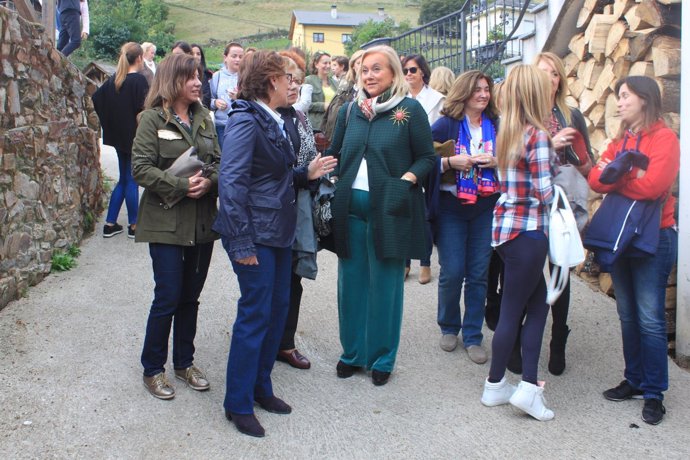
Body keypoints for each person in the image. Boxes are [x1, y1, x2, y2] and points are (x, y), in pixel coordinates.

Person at [212, 51, 336, 438]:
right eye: (286, 77)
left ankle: (261, 388)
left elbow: (273, 179)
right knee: (255, 315)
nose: (292, 83)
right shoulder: (246, 121)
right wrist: (242, 242)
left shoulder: (274, 119)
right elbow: (231, 186)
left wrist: (305, 173)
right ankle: (237, 403)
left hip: (278, 233)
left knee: (277, 310)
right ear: (271, 83)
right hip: (256, 236)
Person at [327, 45, 436, 386]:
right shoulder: (350, 111)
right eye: (365, 70)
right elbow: (334, 151)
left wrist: (406, 181)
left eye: (377, 69)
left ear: (393, 73)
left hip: (391, 208)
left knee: (386, 286)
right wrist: (325, 173)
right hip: (350, 208)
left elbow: (427, 158)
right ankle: (353, 354)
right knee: (351, 284)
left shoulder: (410, 110)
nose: (369, 75)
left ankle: (382, 358)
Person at [589, 76, 679, 425]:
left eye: (625, 96)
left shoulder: (665, 139)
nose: (620, 103)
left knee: (651, 319)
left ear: (644, 99)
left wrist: (619, 176)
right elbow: (596, 180)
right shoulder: (622, 139)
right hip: (622, 238)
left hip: (653, 239)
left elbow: (655, 187)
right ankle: (635, 379)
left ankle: (655, 392)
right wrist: (626, 172)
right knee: (627, 314)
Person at [131, 53, 221, 401]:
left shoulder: (205, 118)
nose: (198, 82)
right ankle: (153, 368)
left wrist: (209, 183)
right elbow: (140, 168)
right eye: (190, 77)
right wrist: (183, 186)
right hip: (165, 224)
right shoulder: (152, 119)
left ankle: (184, 363)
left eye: (199, 76)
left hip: (201, 224)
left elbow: (217, 162)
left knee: (190, 298)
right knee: (167, 297)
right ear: (172, 81)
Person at [479, 65, 556, 421]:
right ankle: (522, 387)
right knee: (519, 310)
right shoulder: (537, 136)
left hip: (508, 231)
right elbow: (544, 191)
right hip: (529, 231)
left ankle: (500, 386)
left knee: (535, 306)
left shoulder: (507, 131)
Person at [427, 70, 498, 363]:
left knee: (479, 273)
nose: (483, 95)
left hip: (485, 206)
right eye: (476, 90)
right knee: (453, 270)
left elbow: (513, 156)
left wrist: (497, 160)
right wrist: (447, 162)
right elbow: (422, 158)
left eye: (486, 89)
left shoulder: (497, 124)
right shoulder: (445, 124)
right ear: (463, 93)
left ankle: (472, 335)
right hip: (452, 208)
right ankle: (448, 325)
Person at [275, 54, 318, 370]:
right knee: (270, 281)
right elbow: (267, 174)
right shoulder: (262, 117)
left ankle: (286, 344)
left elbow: (310, 155)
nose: (294, 86)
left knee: (293, 279)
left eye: (297, 80)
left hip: (298, 208)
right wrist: (306, 173)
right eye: (288, 79)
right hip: (273, 211)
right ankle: (267, 341)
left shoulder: (300, 118)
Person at [92, 42, 149, 239]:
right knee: (132, 180)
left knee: (124, 179)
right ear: (140, 58)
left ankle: (110, 223)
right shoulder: (139, 81)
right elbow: (144, 111)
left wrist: (110, 122)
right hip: (134, 137)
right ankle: (134, 225)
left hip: (117, 137)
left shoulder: (113, 80)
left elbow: (96, 99)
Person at [402, 54, 445, 284]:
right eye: (405, 70)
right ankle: (406, 262)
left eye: (413, 70)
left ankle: (426, 262)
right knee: (406, 211)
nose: (408, 74)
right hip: (405, 160)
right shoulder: (399, 98)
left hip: (428, 159)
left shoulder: (437, 100)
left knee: (426, 213)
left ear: (423, 73)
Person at [321, 50, 364, 143]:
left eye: (364, 63)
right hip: (341, 133)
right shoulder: (346, 83)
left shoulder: (373, 86)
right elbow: (334, 108)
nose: (362, 66)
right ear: (353, 66)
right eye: (359, 63)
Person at [210, 42, 244, 148]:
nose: (237, 60)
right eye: (234, 56)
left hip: (240, 124)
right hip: (221, 125)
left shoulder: (246, 76)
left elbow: (253, 100)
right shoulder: (217, 76)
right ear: (225, 58)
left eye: (240, 57)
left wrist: (239, 97)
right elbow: (208, 100)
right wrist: (215, 103)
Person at [304, 51, 338, 131]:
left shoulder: (335, 83)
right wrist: (323, 106)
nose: (328, 66)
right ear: (316, 64)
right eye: (325, 63)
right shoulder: (308, 81)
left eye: (330, 63)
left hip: (333, 126)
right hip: (316, 128)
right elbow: (304, 105)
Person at [191, 43, 212, 108]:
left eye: (198, 54)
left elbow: (207, 96)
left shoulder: (207, 74)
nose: (195, 56)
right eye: (192, 53)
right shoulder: (182, 75)